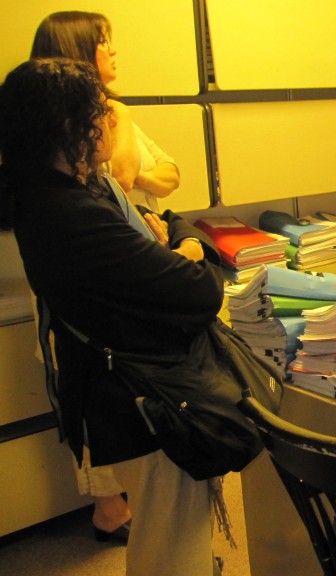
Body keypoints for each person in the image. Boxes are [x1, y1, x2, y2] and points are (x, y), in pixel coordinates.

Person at [0, 58, 223, 576]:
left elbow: (170, 220)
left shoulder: (75, 190)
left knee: (166, 526)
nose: (109, 123)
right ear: (68, 126)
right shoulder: (68, 213)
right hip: (138, 395)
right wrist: (192, 251)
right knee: (170, 538)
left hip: (130, 385)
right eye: (99, 113)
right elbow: (198, 291)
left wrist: (183, 242)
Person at [28, 10, 183, 543]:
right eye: (103, 42)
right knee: (91, 394)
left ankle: (124, 503)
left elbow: (167, 174)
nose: (114, 51)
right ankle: (109, 510)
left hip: (128, 265)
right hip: (86, 293)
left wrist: (140, 181)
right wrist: (117, 118)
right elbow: (118, 174)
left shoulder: (108, 115)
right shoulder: (63, 131)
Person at [31, 10, 181, 212]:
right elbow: (122, 178)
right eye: (102, 42)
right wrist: (119, 110)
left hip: (148, 227)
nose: (112, 51)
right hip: (111, 229)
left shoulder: (115, 114)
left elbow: (171, 172)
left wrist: (141, 177)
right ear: (77, 49)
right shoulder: (71, 123)